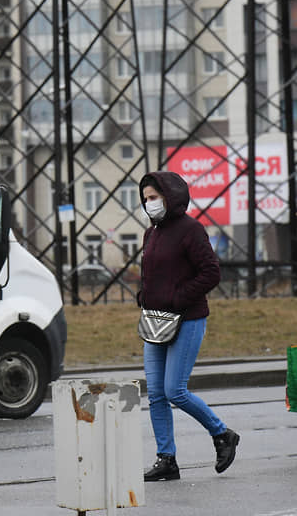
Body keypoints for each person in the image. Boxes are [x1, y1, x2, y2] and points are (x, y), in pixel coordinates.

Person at [138, 171, 239, 481]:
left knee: (174, 391)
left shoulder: (190, 230)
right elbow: (153, 273)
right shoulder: (151, 233)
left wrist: (177, 296)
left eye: (154, 197)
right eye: (145, 200)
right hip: (155, 321)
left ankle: (222, 434)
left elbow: (210, 273)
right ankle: (166, 459)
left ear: (170, 196)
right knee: (155, 394)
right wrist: (145, 295)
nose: (149, 204)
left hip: (188, 319)